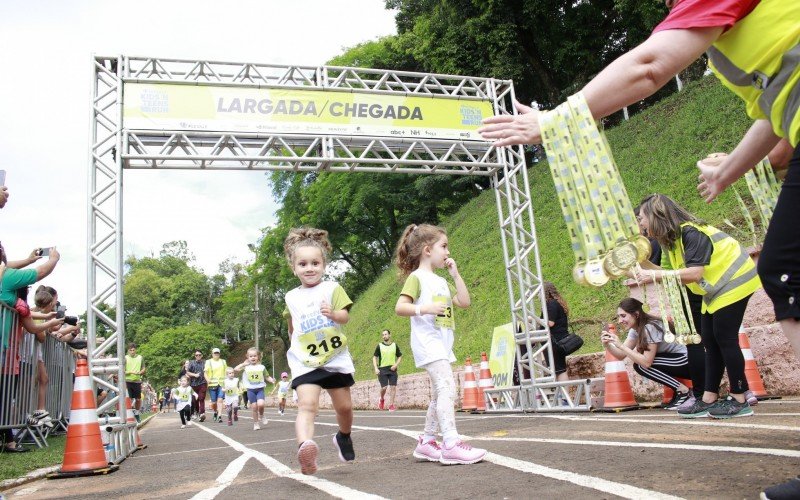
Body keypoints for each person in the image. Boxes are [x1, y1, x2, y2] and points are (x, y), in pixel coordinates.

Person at [637, 194, 760, 418]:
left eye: (641, 218)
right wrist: (640, 265)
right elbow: (670, 274)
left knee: (724, 339)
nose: (640, 224)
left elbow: (694, 273)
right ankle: (708, 398)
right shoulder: (673, 242)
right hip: (715, 291)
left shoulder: (691, 233)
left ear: (656, 216)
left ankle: (740, 398)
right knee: (710, 342)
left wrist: (652, 275)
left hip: (735, 281)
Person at [394, 223, 487, 465]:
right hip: (428, 342)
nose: (447, 252)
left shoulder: (441, 282)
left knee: (438, 394)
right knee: (447, 388)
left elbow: (464, 302)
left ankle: (426, 442)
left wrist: (455, 275)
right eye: (443, 246)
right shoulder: (416, 278)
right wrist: (424, 308)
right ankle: (451, 443)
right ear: (427, 250)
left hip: (443, 342)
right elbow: (400, 307)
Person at [283, 227, 356, 475]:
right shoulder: (291, 297)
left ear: (324, 265)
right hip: (306, 361)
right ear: (294, 268)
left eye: (315, 263)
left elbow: (345, 316)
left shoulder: (332, 288)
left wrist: (333, 314)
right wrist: (295, 339)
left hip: (334, 357)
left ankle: (343, 436)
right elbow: (292, 326)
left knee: (344, 407)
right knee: (307, 405)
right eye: (302, 264)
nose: (309, 268)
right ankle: (305, 447)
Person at [602, 298, 692, 409]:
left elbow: (647, 362)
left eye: (623, 316)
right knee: (639, 364)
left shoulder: (650, 327)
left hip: (686, 360)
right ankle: (682, 391)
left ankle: (684, 391)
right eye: (619, 316)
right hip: (675, 361)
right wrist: (608, 345)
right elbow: (621, 355)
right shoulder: (635, 329)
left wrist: (621, 345)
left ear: (636, 314)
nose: (620, 320)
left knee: (641, 365)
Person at [234, 347, 275, 430]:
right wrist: (243, 364)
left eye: (255, 356)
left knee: (261, 404)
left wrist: (271, 380)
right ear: (247, 357)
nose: (253, 357)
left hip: (260, 389)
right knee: (254, 407)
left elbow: (266, 376)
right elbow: (235, 369)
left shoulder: (262, 367)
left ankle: (262, 415)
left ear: (258, 357)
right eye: (251, 356)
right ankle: (256, 423)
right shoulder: (246, 367)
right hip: (250, 390)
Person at [542, 281, 573, 383]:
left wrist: (533, 319)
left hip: (555, 341)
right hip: (559, 340)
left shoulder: (551, 304)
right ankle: (563, 396)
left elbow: (550, 323)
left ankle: (564, 397)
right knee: (559, 369)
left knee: (559, 370)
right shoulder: (557, 302)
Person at [373, 329, 402, 411]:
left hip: (392, 369)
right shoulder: (379, 346)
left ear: (390, 335)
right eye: (383, 335)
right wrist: (376, 368)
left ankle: (391, 405)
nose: (384, 336)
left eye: (385, 334)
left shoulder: (394, 345)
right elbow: (374, 357)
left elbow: (399, 356)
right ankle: (381, 399)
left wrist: (396, 365)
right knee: (384, 387)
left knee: (393, 387)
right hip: (382, 369)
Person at [204, 347, 228, 423]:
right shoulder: (208, 362)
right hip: (212, 384)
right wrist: (208, 379)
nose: (216, 354)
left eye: (217, 353)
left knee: (220, 400)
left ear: (219, 354)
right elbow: (205, 372)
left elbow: (227, 371)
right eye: (215, 353)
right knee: (214, 402)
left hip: (221, 383)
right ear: (212, 354)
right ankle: (215, 412)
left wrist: (227, 380)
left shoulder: (223, 361)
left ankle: (220, 416)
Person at [124, 343, 146, 421]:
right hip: (127, 381)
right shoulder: (125, 358)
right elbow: (122, 370)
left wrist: (140, 372)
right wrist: (129, 372)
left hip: (137, 381)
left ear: (135, 350)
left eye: (133, 350)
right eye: (130, 350)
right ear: (128, 351)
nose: (132, 352)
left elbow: (143, 368)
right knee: (128, 399)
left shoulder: (140, 357)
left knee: (138, 399)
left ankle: (136, 414)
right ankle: (129, 415)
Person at [186, 350, 207, 421]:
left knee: (201, 398)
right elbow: (188, 372)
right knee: (194, 400)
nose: (198, 356)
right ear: (195, 356)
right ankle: (198, 412)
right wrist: (194, 375)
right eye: (196, 355)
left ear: (202, 355)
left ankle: (202, 413)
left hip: (202, 383)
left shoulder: (205, 363)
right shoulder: (191, 363)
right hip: (193, 384)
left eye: (199, 355)